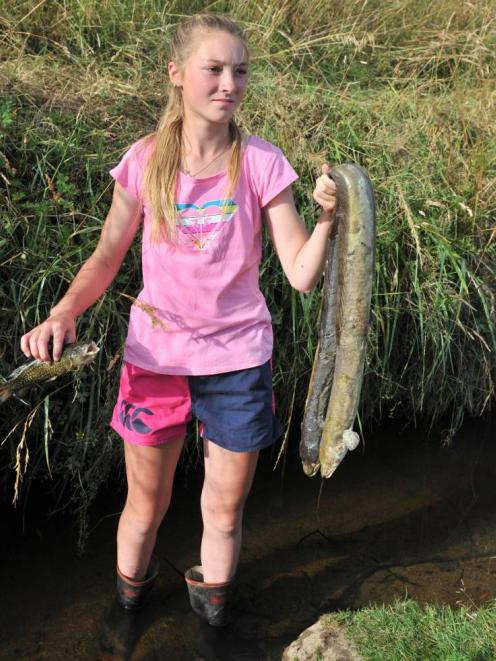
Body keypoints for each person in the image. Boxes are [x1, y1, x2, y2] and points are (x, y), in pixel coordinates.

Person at [20, 13, 336, 627]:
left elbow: (299, 272)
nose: (229, 83)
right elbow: (107, 256)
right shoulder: (144, 161)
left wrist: (327, 221)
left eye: (240, 71)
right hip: (156, 360)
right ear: (176, 74)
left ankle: (212, 624)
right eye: (213, 69)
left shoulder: (264, 163)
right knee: (146, 503)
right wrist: (63, 312)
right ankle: (127, 612)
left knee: (223, 513)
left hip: (239, 361)